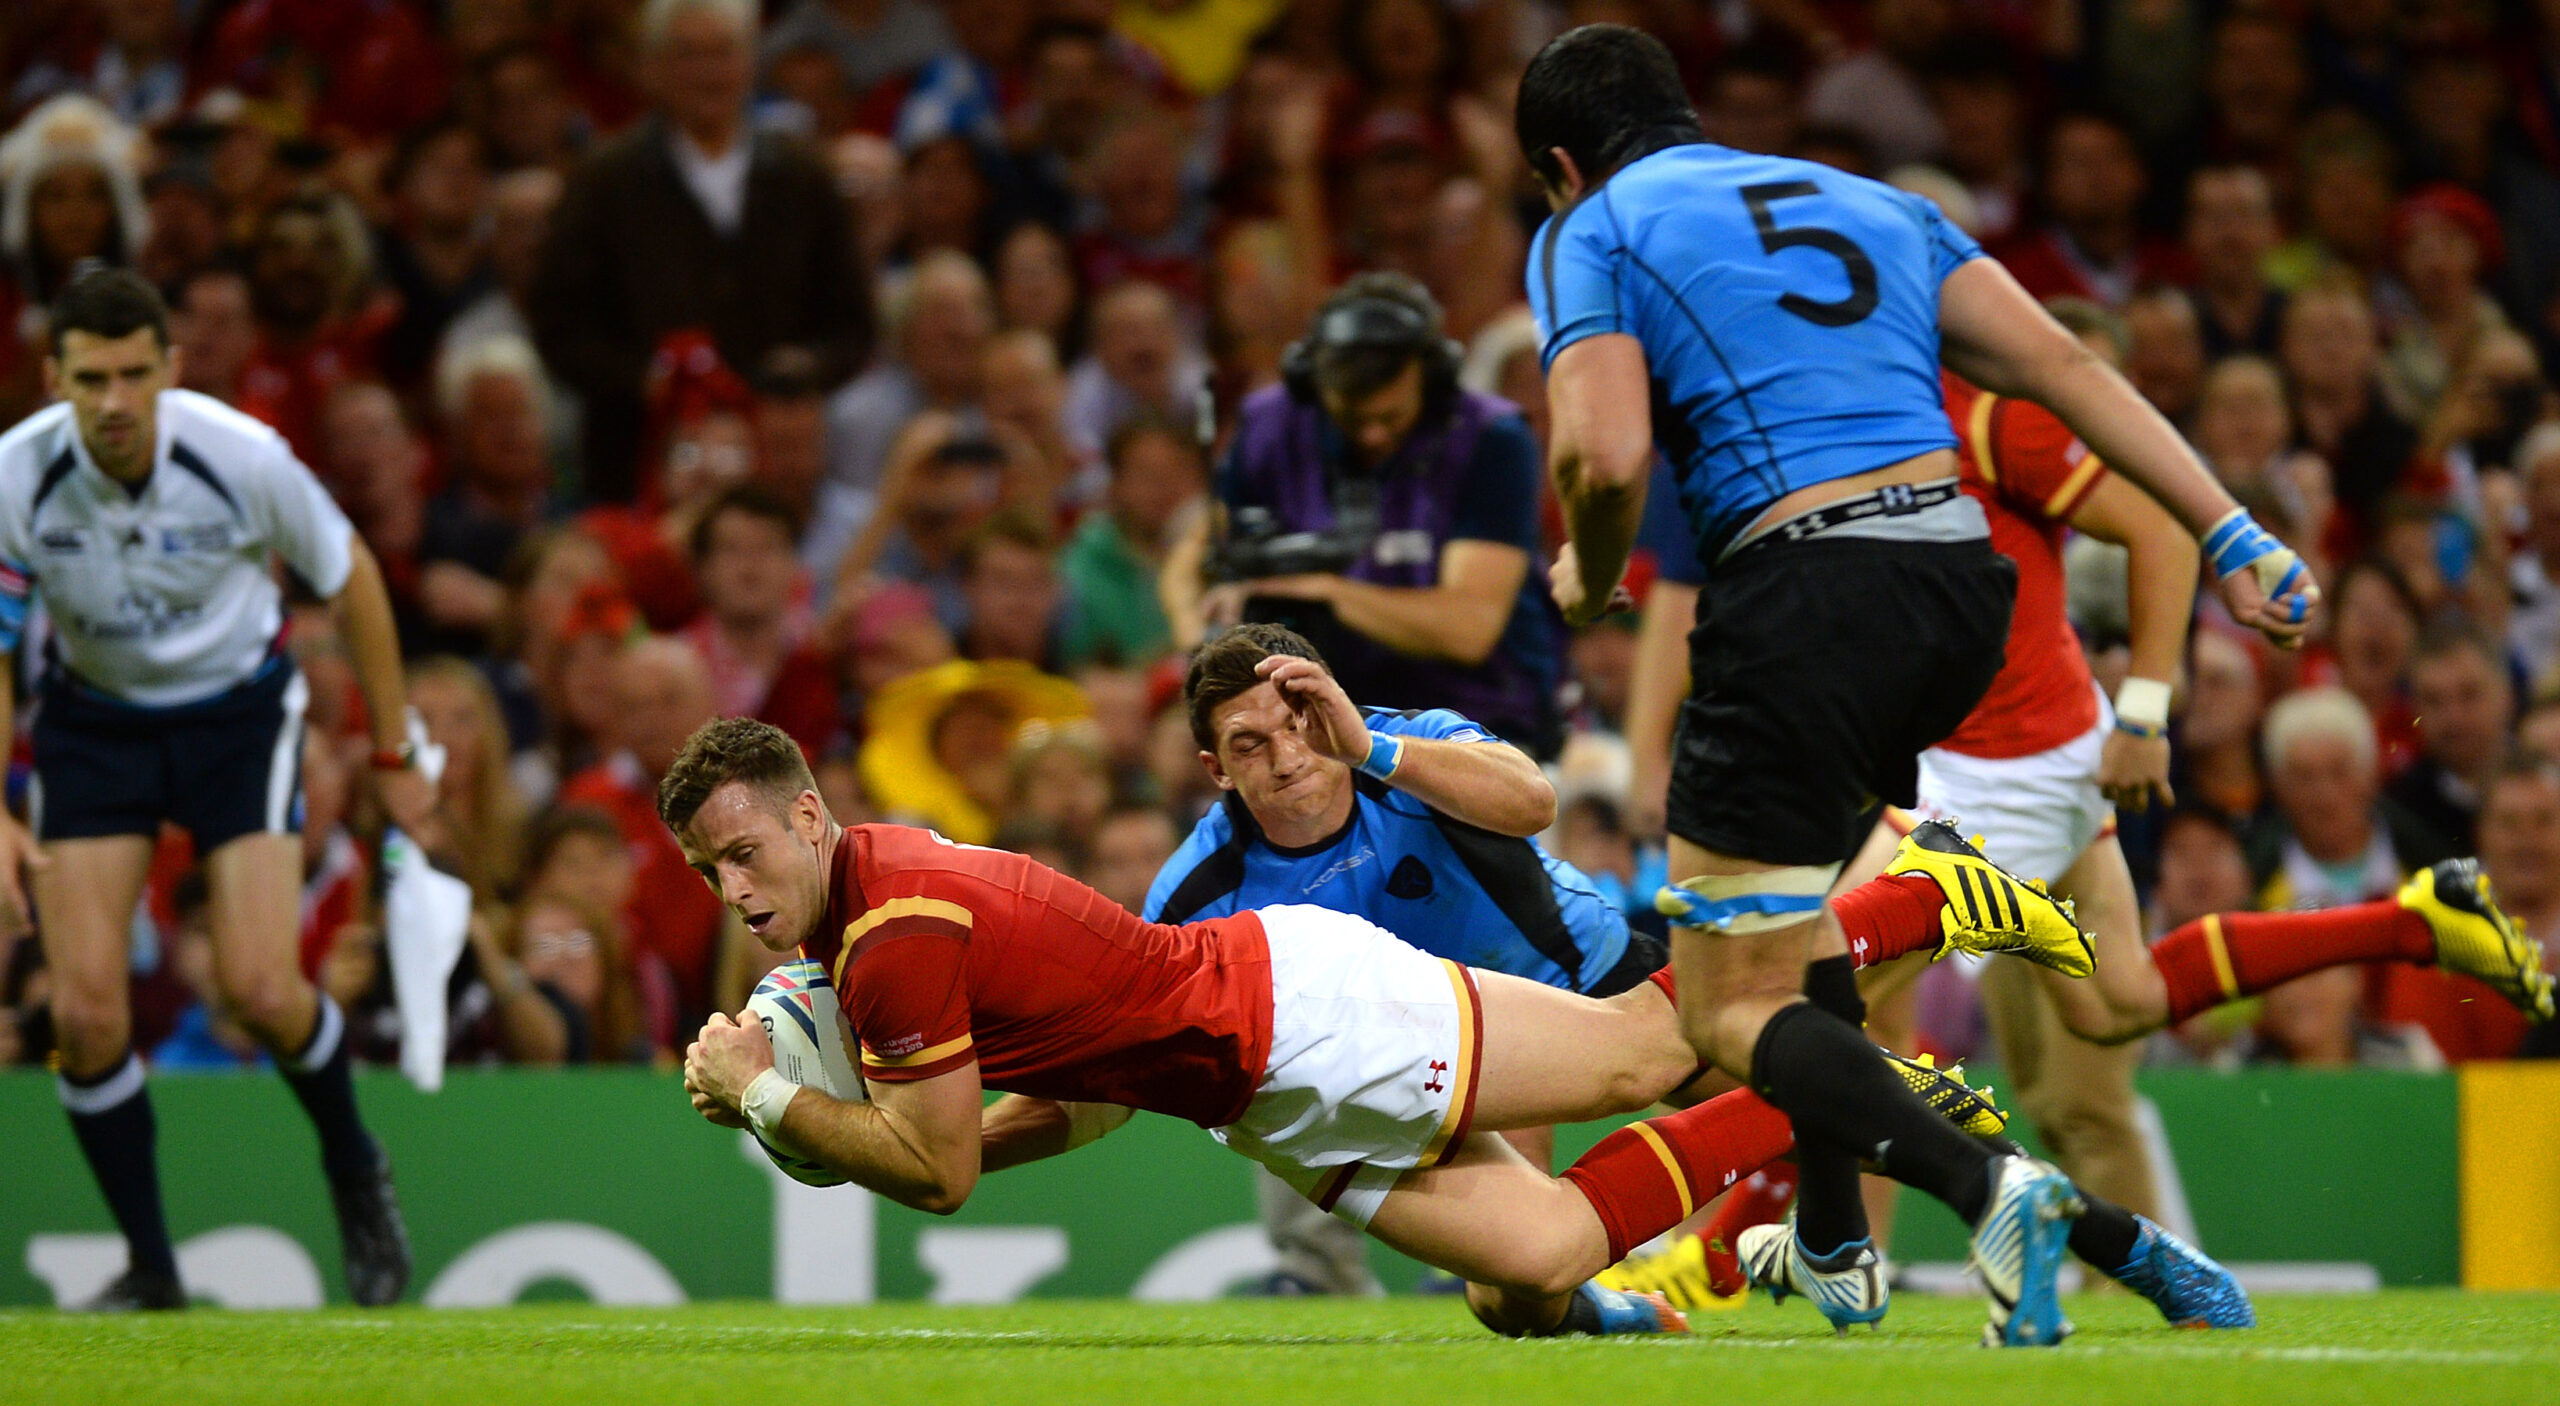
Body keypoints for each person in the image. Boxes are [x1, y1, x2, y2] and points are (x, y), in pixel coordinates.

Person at [1514, 24, 2314, 1345]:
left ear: (1559, 163)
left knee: (1727, 1004)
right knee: (1809, 928)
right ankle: (1833, 1237)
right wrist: (2234, 530)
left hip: (1805, 590)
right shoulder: (1878, 201)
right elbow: (2064, 363)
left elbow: (1603, 460)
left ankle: (1994, 1187)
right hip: (1956, 592)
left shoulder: (1591, 229)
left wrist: (1587, 569)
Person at [663, 717, 2040, 1339]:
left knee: (1651, 1047)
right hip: (1252, 1092)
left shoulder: (896, 935)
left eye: (744, 851)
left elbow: (941, 1172)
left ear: (807, 817)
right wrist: (854, 1132)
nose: (734, 892)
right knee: (1537, 1267)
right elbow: (1051, 1110)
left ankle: (1907, 893)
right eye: (706, 874)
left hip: (1302, 1015)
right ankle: (1877, 1096)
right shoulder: (878, 896)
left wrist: (781, 1102)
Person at [0, 268, 438, 1310]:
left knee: (264, 988)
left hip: (238, 718)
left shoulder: (241, 455)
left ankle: (352, 1161)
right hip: (95, 723)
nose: (113, 399)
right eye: (90, 376)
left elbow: (355, 575)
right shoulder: (16, 475)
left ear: (170, 369)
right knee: (87, 1012)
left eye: (133, 374)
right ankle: (153, 1265)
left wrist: (390, 751)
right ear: (53, 375)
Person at [1175, 272, 1564, 758]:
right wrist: (1210, 643)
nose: (1374, 436)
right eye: (1355, 418)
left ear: (1432, 375)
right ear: (1312, 380)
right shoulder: (1268, 426)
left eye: (1390, 417)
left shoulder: (1492, 439)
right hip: (1319, 734)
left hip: (1475, 728)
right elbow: (1190, 562)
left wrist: (1321, 590)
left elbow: (1469, 627)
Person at [529, 0, 870, 500]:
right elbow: (560, 325)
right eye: (689, 55)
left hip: (778, 468)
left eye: (724, 53)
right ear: (653, 67)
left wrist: (802, 371)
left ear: (752, 62)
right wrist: (644, 382)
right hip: (636, 462)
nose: (710, 73)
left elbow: (851, 323)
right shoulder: (603, 180)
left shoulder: (803, 176)